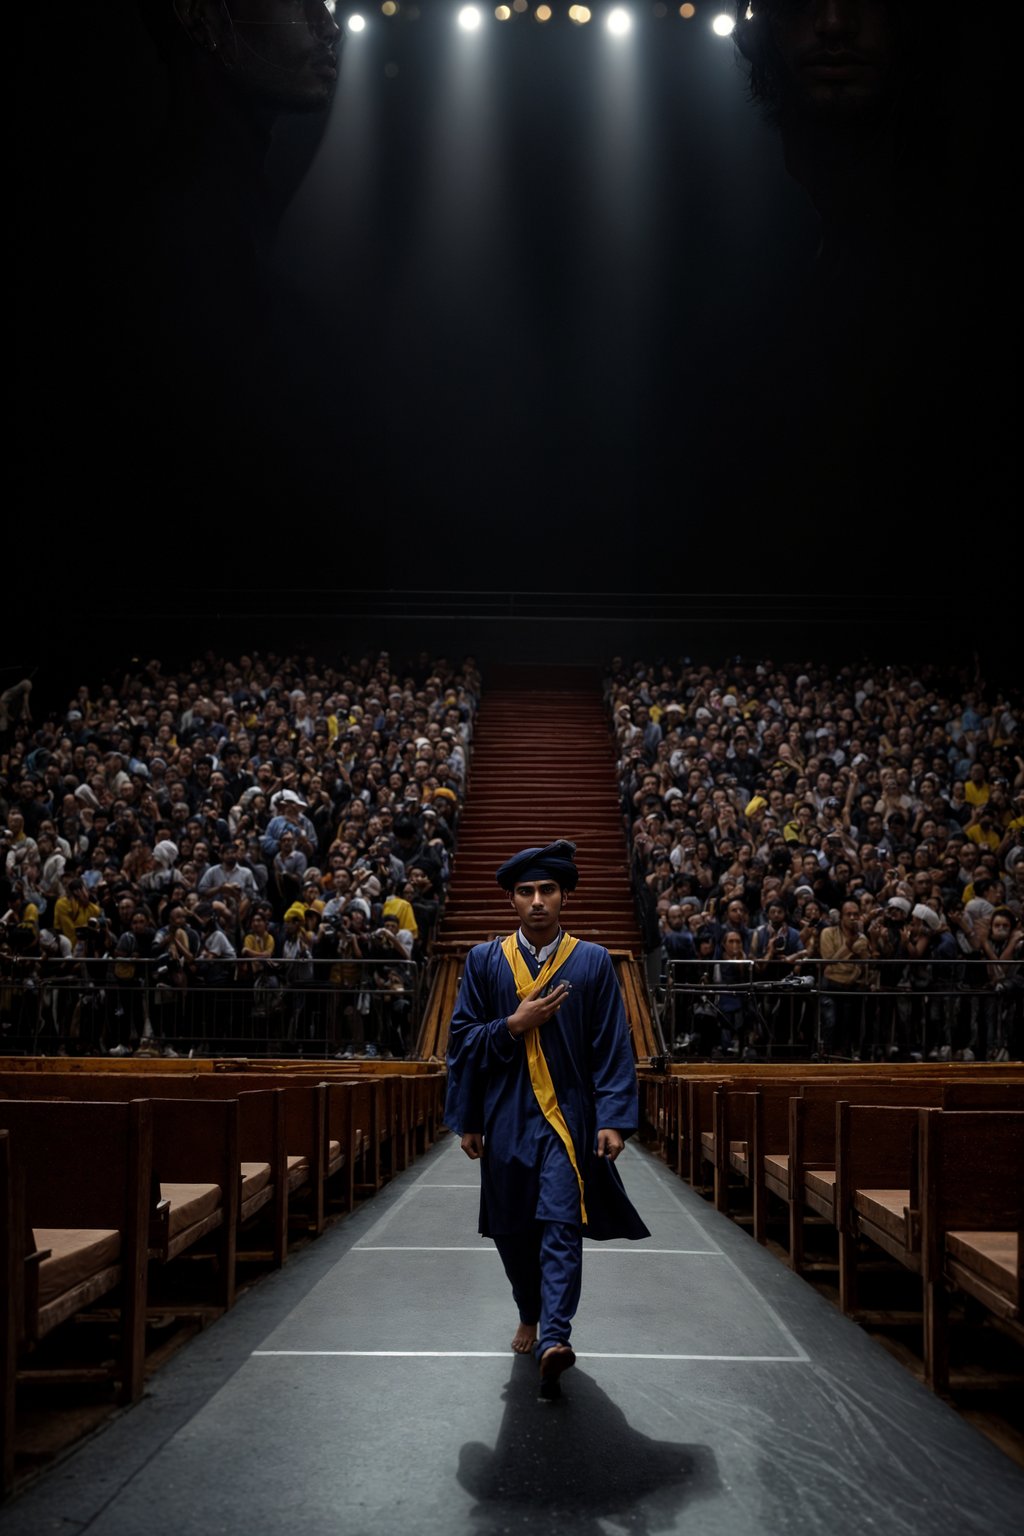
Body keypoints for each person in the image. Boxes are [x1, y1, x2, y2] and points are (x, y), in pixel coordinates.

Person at [445, 839, 650, 1403]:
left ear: (564, 897)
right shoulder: (485, 960)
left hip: (568, 1119)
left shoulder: (592, 962)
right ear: (512, 901)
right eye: (526, 892)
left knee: (562, 1222)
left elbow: (613, 1045)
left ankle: (555, 1337)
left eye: (547, 890)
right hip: (505, 1114)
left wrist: (613, 1117)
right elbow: (461, 1042)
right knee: (512, 1229)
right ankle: (529, 1311)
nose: (537, 901)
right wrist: (514, 1024)